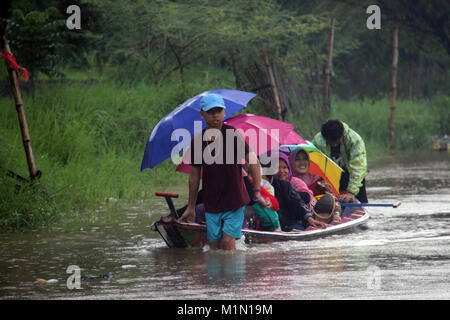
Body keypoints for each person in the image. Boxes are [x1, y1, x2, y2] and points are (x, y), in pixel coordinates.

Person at [178, 93, 264, 250]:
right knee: (215, 245)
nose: (215, 115)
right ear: (202, 114)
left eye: (218, 111)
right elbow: (194, 175)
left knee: (227, 242)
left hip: (235, 199)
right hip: (212, 202)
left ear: (224, 112)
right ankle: (217, 274)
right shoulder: (198, 141)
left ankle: (232, 274)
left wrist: (257, 191)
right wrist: (191, 206)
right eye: (210, 112)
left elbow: (253, 161)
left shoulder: (232, 135)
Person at [312, 120, 368, 203]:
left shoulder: (355, 140)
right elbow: (315, 163)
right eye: (330, 142)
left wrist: (351, 192)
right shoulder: (318, 141)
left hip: (350, 173)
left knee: (360, 202)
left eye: (336, 141)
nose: (334, 145)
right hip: (330, 175)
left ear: (342, 136)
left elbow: (358, 168)